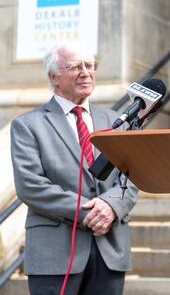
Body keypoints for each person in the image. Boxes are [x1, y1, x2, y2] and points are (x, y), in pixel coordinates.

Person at [10, 41, 138, 295]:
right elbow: (31, 186)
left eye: (89, 65)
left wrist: (111, 206)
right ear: (54, 77)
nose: (85, 72)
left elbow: (131, 177)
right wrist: (88, 212)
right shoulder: (28, 125)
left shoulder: (116, 122)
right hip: (54, 254)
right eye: (75, 67)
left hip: (109, 249)